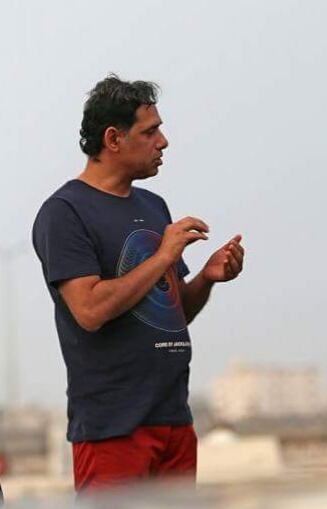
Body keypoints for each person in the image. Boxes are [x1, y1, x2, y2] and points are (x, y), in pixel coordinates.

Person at [32, 75, 245, 494]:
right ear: (113, 138)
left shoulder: (153, 205)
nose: (163, 142)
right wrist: (163, 257)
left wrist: (207, 277)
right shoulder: (65, 212)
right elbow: (89, 310)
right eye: (150, 132)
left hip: (174, 418)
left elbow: (172, 311)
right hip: (113, 427)